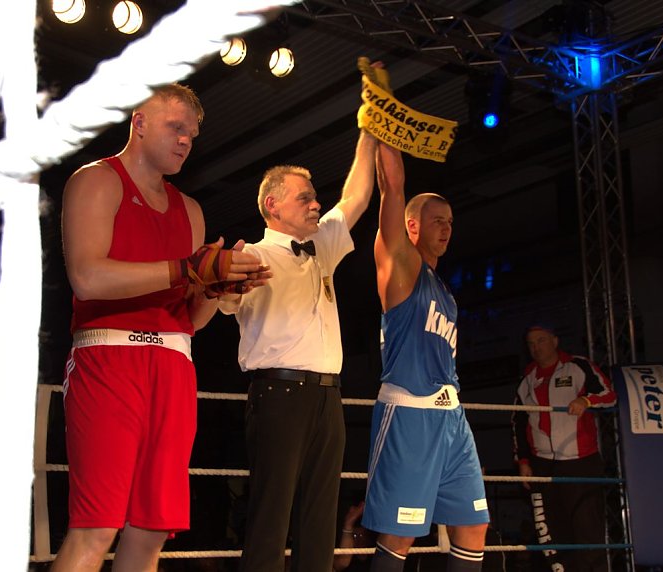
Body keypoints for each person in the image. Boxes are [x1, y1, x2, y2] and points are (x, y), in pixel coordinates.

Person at [53, 84, 267, 572]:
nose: (185, 140)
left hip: (173, 364)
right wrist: (187, 269)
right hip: (109, 358)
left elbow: (190, 319)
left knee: (150, 532)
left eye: (192, 134)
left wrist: (216, 289)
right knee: (95, 528)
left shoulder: (190, 209)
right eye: (176, 127)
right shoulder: (97, 179)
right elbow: (87, 278)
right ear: (140, 122)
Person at [218, 127, 378, 572]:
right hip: (278, 394)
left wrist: (369, 133)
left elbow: (356, 197)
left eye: (315, 197)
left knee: (320, 517)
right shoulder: (251, 256)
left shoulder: (321, 246)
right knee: (271, 515)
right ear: (273, 204)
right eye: (304, 197)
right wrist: (225, 283)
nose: (315, 204)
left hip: (328, 394)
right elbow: (223, 300)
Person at [361, 142, 489, 572]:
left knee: (473, 526)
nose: (447, 228)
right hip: (409, 414)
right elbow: (392, 190)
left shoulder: (444, 290)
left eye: (450, 222)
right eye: (437, 220)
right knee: (400, 534)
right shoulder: (400, 266)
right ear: (412, 225)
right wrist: (386, 132)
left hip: (451, 417)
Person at [511, 324, 616, 572]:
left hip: (580, 461)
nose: (536, 347)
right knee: (553, 534)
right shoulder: (527, 379)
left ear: (555, 341)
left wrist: (586, 400)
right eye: (531, 343)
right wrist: (523, 461)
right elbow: (518, 422)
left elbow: (610, 395)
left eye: (541, 340)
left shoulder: (578, 366)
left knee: (588, 530)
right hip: (542, 464)